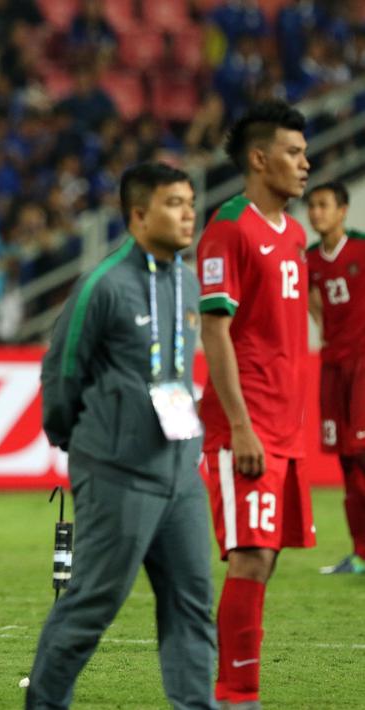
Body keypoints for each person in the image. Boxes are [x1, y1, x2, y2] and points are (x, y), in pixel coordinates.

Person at [26, 162, 214, 709]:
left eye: (189, 202)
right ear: (138, 215)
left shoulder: (187, 279)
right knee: (93, 603)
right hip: (118, 472)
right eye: (173, 203)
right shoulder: (102, 285)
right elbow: (62, 374)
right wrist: (78, 442)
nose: (188, 213)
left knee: (191, 604)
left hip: (181, 474)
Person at [198, 100, 314, 709]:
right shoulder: (230, 228)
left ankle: (236, 691)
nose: (306, 163)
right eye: (294, 153)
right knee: (249, 556)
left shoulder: (293, 233)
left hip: (285, 428)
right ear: (259, 158)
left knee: (264, 561)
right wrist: (241, 427)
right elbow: (215, 331)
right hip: (246, 427)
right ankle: (234, 696)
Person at [305, 181, 365, 575]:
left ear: (343, 210)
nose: (316, 213)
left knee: (361, 454)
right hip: (331, 367)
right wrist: (324, 327)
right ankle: (359, 553)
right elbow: (313, 299)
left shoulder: (361, 248)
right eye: (312, 206)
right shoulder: (309, 258)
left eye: (324, 205)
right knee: (345, 459)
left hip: (363, 365)